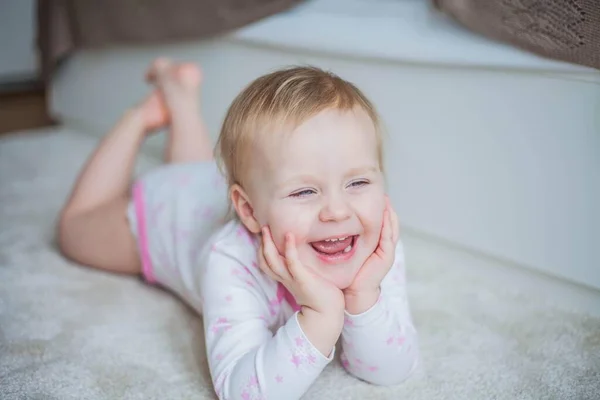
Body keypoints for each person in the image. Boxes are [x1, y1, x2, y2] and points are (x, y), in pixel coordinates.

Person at [57, 58, 419, 399]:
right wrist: (320, 317)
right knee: (75, 232)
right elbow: (241, 390)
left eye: (357, 183)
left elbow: (391, 369)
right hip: (166, 213)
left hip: (204, 187)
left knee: (196, 168)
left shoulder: (375, 247)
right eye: (305, 190)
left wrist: (363, 296)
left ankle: (180, 97)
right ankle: (138, 119)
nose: (338, 211)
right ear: (248, 211)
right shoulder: (230, 259)